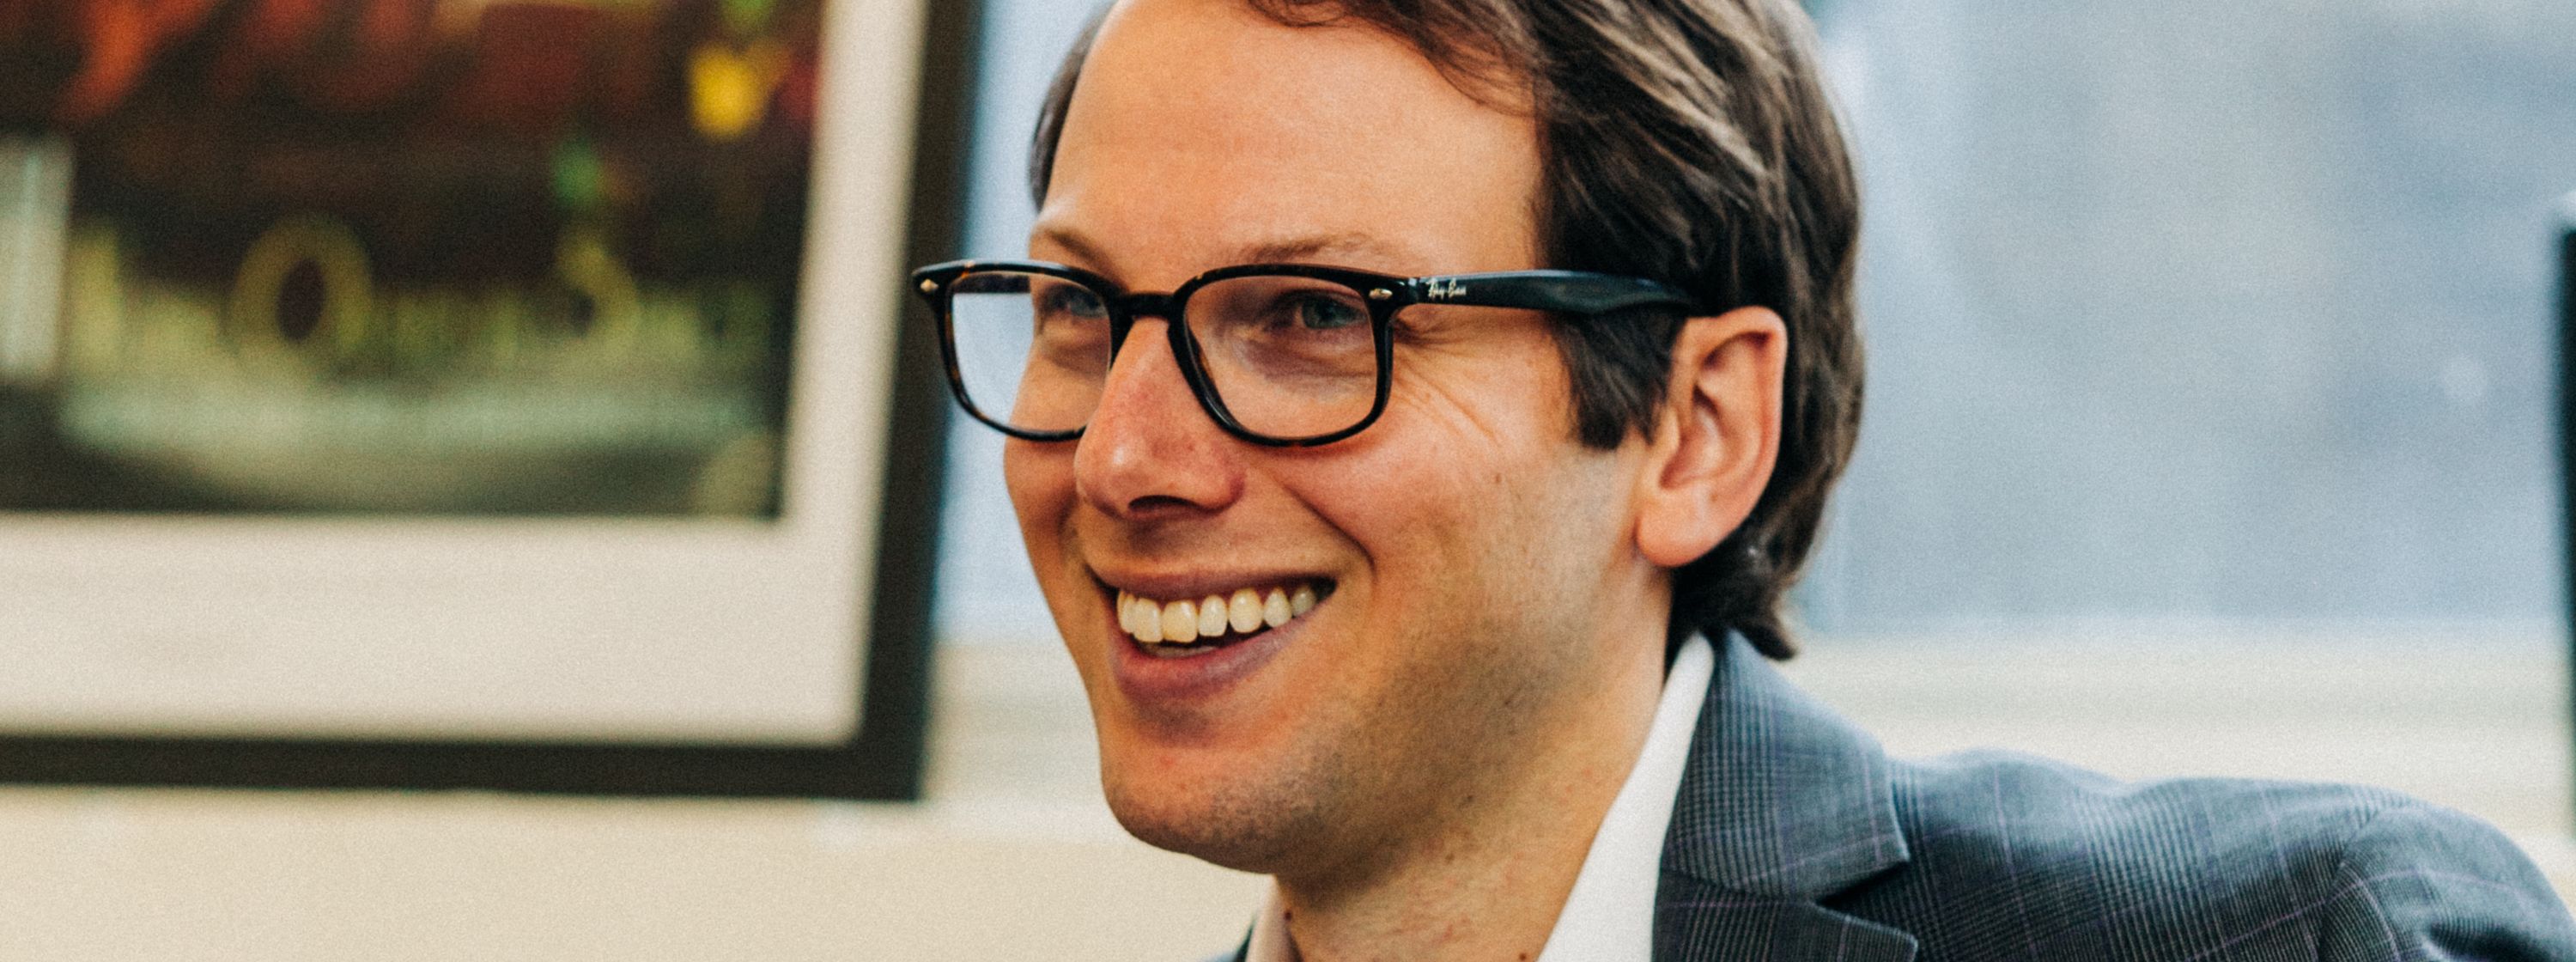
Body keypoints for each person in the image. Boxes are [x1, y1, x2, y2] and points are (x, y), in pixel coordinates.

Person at [910, 0, 2576, 958]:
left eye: (1309, 319)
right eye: (1074, 308)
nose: (1124, 455)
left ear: (1698, 429)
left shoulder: (2312, 943)